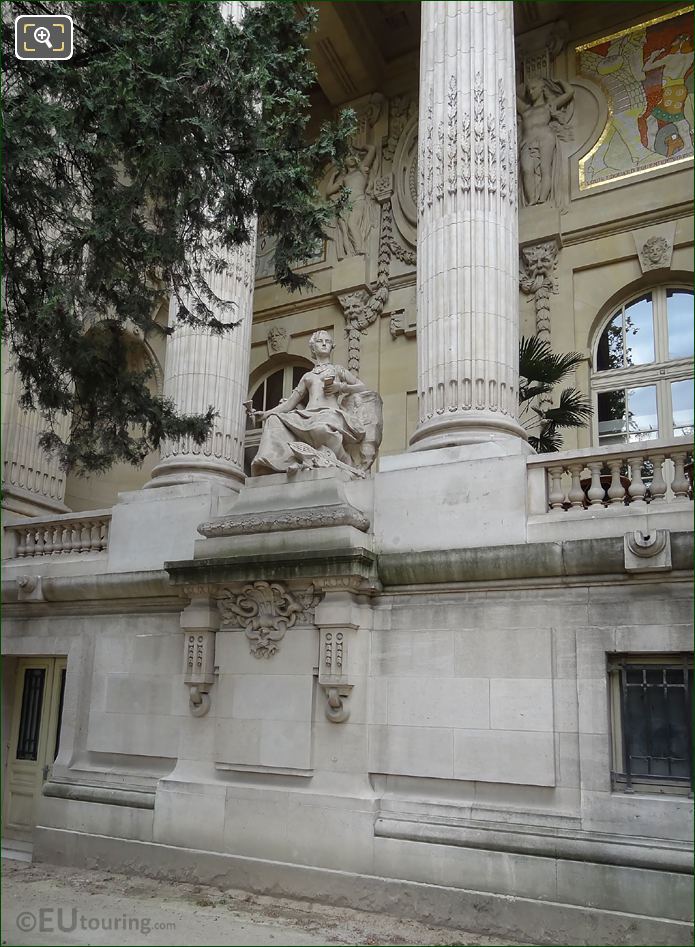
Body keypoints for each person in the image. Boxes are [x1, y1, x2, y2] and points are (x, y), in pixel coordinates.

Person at [248, 331, 369, 476]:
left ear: (332, 347)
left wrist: (341, 387)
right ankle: (279, 463)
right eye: (320, 341)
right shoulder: (308, 376)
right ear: (312, 347)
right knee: (274, 420)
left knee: (320, 428)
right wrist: (265, 414)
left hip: (330, 414)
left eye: (328, 341)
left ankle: (343, 460)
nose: (324, 343)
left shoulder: (337, 370)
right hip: (308, 415)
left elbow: (362, 387)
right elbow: (290, 404)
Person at [517, 77, 574, 207]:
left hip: (545, 137)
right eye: (528, 90)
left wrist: (558, 82)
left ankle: (542, 199)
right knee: (527, 169)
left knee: (544, 168)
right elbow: (509, 95)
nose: (530, 92)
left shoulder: (549, 106)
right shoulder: (525, 109)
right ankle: (531, 200)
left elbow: (569, 92)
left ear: (542, 89)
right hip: (527, 140)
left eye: (533, 88)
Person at [325, 145, 376, 259]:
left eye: (353, 155)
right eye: (348, 156)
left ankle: (360, 249)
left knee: (352, 224)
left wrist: (359, 146)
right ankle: (352, 251)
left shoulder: (362, 169)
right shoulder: (344, 178)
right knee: (346, 230)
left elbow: (372, 149)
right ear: (344, 162)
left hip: (359, 201)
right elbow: (328, 191)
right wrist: (333, 176)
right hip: (347, 206)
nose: (352, 158)